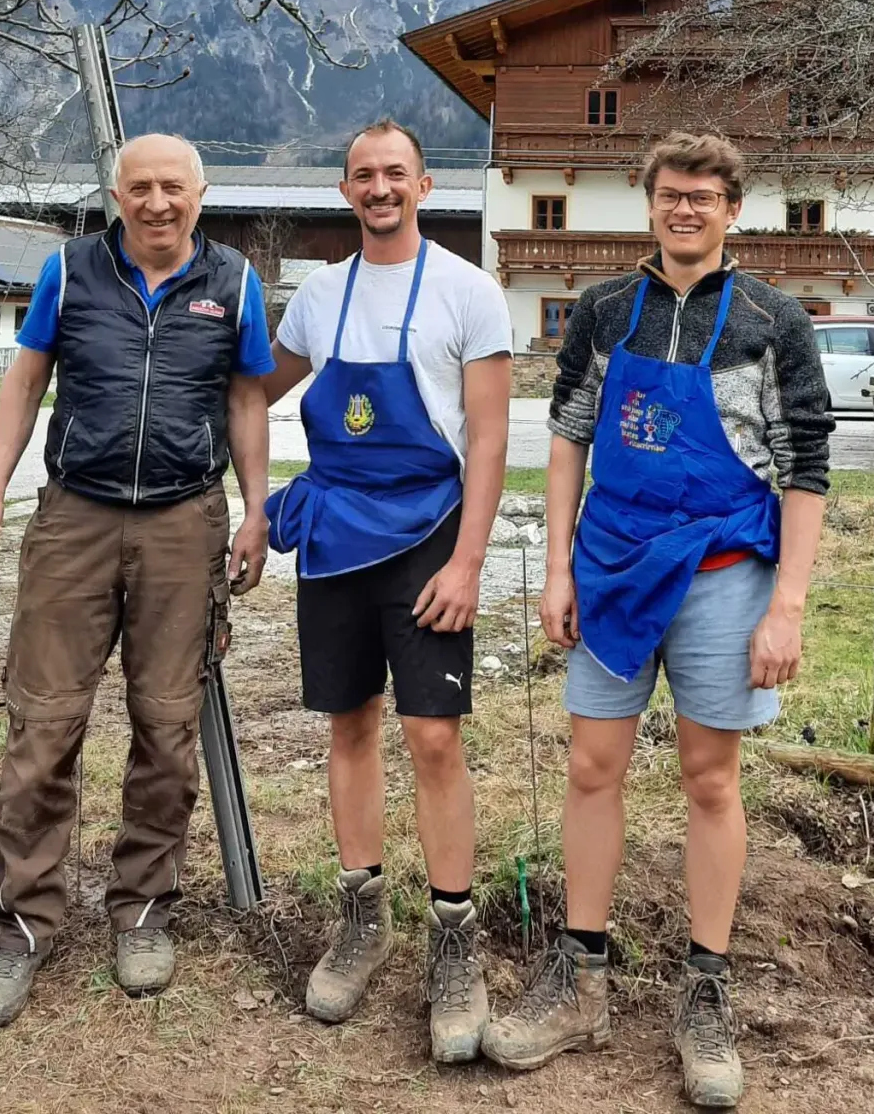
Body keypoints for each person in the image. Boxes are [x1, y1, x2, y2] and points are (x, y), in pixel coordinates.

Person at [483, 132, 831, 1109]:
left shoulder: (773, 321)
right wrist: (557, 566)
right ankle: (580, 979)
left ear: (732, 208)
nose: (687, 209)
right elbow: (567, 438)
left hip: (724, 572)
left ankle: (706, 992)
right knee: (593, 767)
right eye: (672, 194)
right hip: (610, 569)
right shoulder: (601, 312)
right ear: (649, 205)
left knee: (709, 779)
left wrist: (787, 606)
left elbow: (807, 465)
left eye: (706, 196)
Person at [0, 134, 274, 1028]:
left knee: (168, 726)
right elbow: (24, 382)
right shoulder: (69, 270)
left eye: (175, 187)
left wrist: (254, 508)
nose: (158, 203)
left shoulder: (235, 283)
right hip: (75, 516)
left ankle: (142, 911)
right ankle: (20, 925)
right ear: (117, 194)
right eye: (141, 188)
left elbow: (248, 397)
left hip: (184, 522)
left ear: (201, 195)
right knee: (43, 722)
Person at [264, 119, 512, 1064]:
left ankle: (456, 940)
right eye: (363, 175)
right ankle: (361, 917)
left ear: (425, 183)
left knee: (434, 736)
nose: (379, 187)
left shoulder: (468, 291)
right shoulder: (318, 297)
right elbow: (254, 386)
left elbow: (487, 438)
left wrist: (468, 561)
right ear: (344, 190)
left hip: (428, 537)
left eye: (394, 173)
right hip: (336, 534)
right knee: (350, 725)